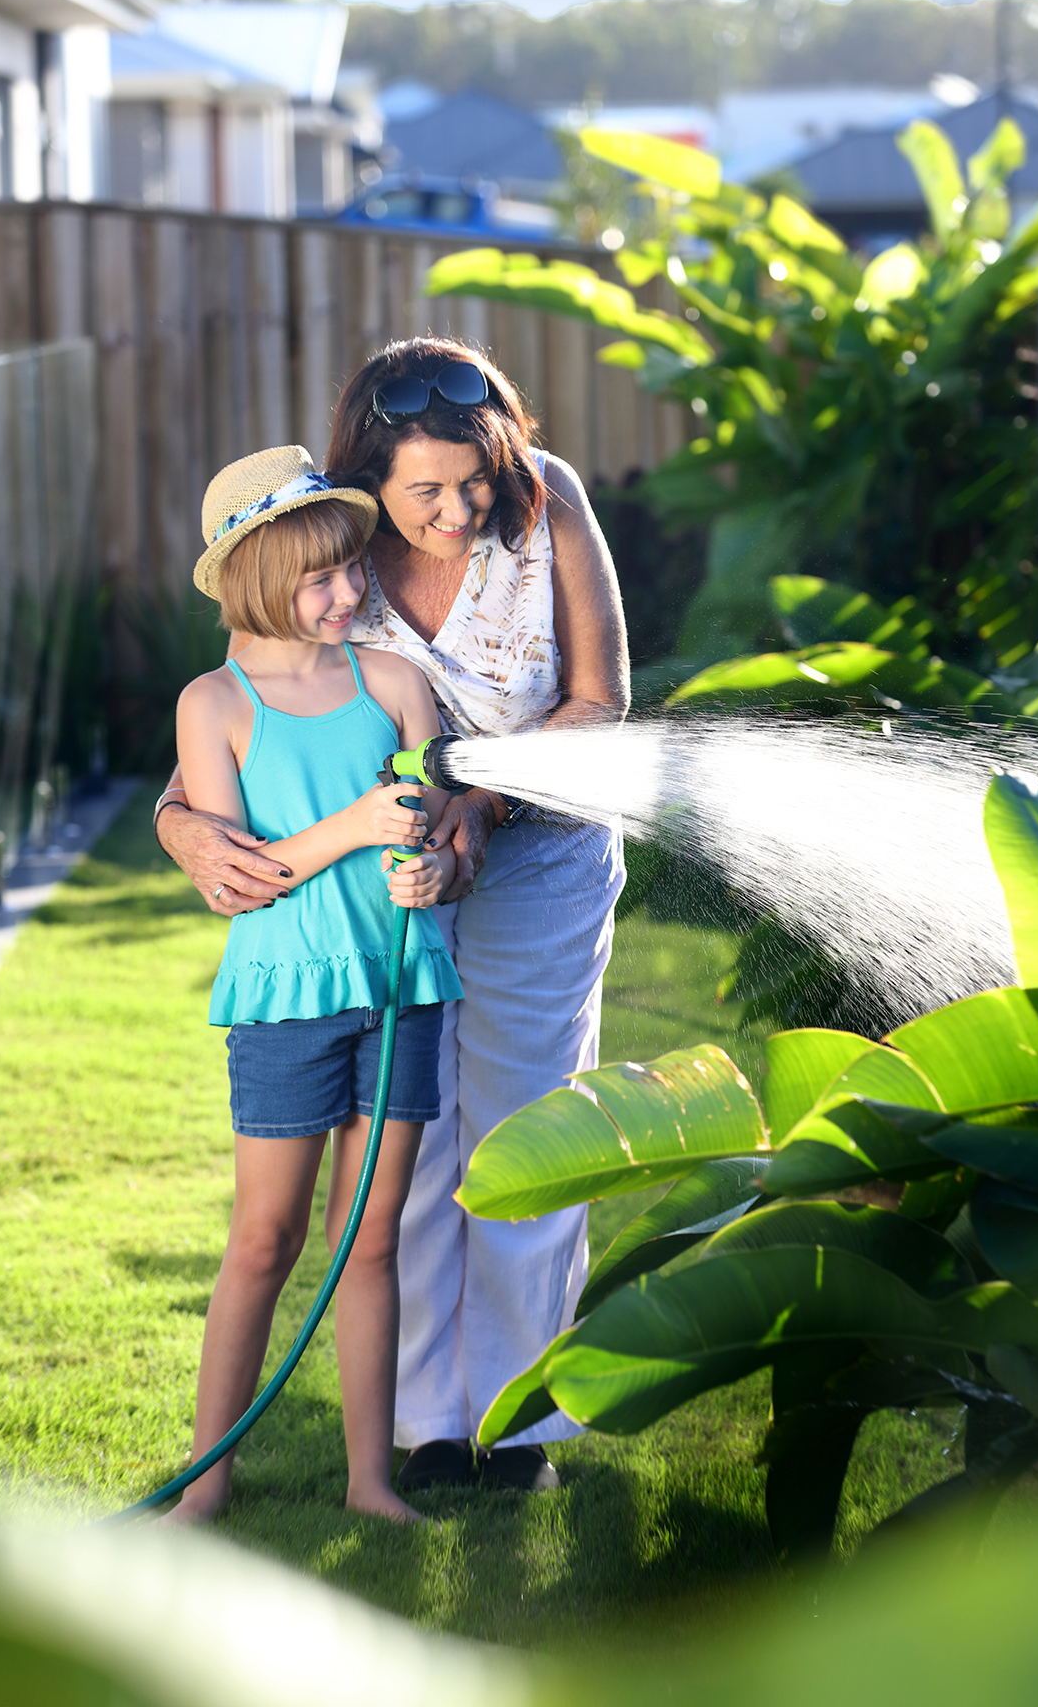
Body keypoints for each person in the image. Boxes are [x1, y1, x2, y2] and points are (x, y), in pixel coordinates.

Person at [156, 340, 629, 1493]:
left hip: (541, 858)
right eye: (425, 491)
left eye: (475, 479)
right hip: (384, 886)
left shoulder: (544, 501)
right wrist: (181, 821)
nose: (459, 509)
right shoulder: (319, 542)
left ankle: (518, 1429)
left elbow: (600, 702)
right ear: (369, 476)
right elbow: (239, 714)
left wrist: (478, 805)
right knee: (410, 1154)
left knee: (527, 1134)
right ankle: (420, 1426)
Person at [164, 444, 462, 1525]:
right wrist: (355, 829)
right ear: (253, 579)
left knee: (371, 1240)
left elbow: (429, 833)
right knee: (263, 1241)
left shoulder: (395, 685)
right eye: (317, 575)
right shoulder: (215, 705)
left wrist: (432, 864)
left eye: (350, 567)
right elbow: (246, 880)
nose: (347, 592)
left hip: (402, 987)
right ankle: (206, 1487)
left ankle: (370, 1483)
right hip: (285, 996)